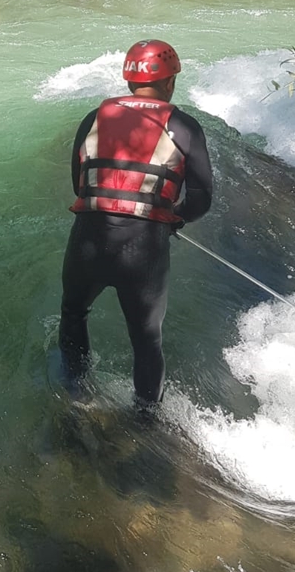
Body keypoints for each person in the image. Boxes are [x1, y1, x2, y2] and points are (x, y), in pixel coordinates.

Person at [57, 40, 213, 405]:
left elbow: (80, 183)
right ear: (170, 81)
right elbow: (202, 198)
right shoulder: (183, 125)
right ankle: (145, 419)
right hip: (143, 247)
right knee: (146, 339)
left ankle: (76, 396)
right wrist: (175, 219)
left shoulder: (93, 118)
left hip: (87, 241)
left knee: (74, 313)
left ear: (129, 80)